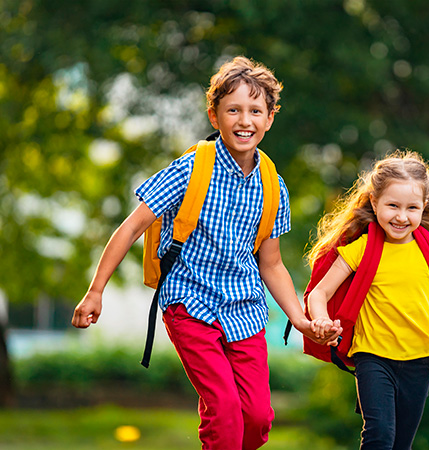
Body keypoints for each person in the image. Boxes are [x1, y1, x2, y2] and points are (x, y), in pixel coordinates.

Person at [71, 56, 341, 450]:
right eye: (233, 110)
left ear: (270, 119)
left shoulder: (273, 186)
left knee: (257, 419)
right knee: (225, 411)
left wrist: (300, 319)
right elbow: (130, 228)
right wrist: (96, 291)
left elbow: (271, 264)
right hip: (190, 302)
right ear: (214, 116)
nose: (244, 120)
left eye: (255, 111)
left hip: (245, 310)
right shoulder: (190, 170)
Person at [305, 150, 429, 450]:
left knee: (401, 444)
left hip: (420, 360)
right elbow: (319, 293)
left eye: (412, 208)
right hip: (372, 357)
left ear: (424, 206)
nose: (402, 217)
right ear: (374, 202)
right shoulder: (362, 248)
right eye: (392, 206)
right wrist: (322, 319)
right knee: (379, 435)